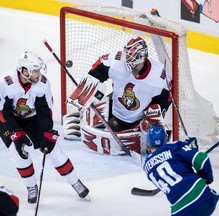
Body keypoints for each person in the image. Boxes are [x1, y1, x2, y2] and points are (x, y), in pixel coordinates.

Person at [0, 51, 89, 204]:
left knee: (52, 148)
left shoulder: (42, 83)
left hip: (33, 118)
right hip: (9, 120)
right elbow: (3, 113)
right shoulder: (5, 82)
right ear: (24, 70)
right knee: (18, 150)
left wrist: (47, 132)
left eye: (39, 70)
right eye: (35, 70)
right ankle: (31, 186)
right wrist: (16, 133)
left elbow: (44, 112)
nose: (38, 74)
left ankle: (75, 182)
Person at [65, 36, 171, 154]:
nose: (127, 60)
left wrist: (156, 113)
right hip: (114, 104)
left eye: (131, 57)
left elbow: (166, 98)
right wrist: (91, 83)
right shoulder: (118, 62)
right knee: (93, 114)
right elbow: (100, 66)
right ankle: (80, 118)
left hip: (132, 119)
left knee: (111, 131)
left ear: (141, 57)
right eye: (127, 56)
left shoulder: (158, 77)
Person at [143, 125, 219, 216]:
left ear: (148, 142)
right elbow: (201, 159)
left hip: (181, 210)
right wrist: (206, 179)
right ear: (165, 138)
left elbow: (167, 162)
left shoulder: (146, 166)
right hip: (205, 198)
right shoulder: (173, 147)